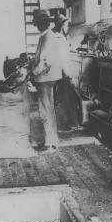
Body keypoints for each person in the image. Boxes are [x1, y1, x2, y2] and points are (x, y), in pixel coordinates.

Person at [30, 10, 65, 153]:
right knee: (48, 109)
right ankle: (50, 141)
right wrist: (32, 61)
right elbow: (41, 56)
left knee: (45, 111)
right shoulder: (45, 35)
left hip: (45, 78)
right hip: (47, 77)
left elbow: (45, 62)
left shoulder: (47, 37)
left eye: (37, 23)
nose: (36, 26)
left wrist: (33, 73)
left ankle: (50, 144)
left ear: (43, 23)